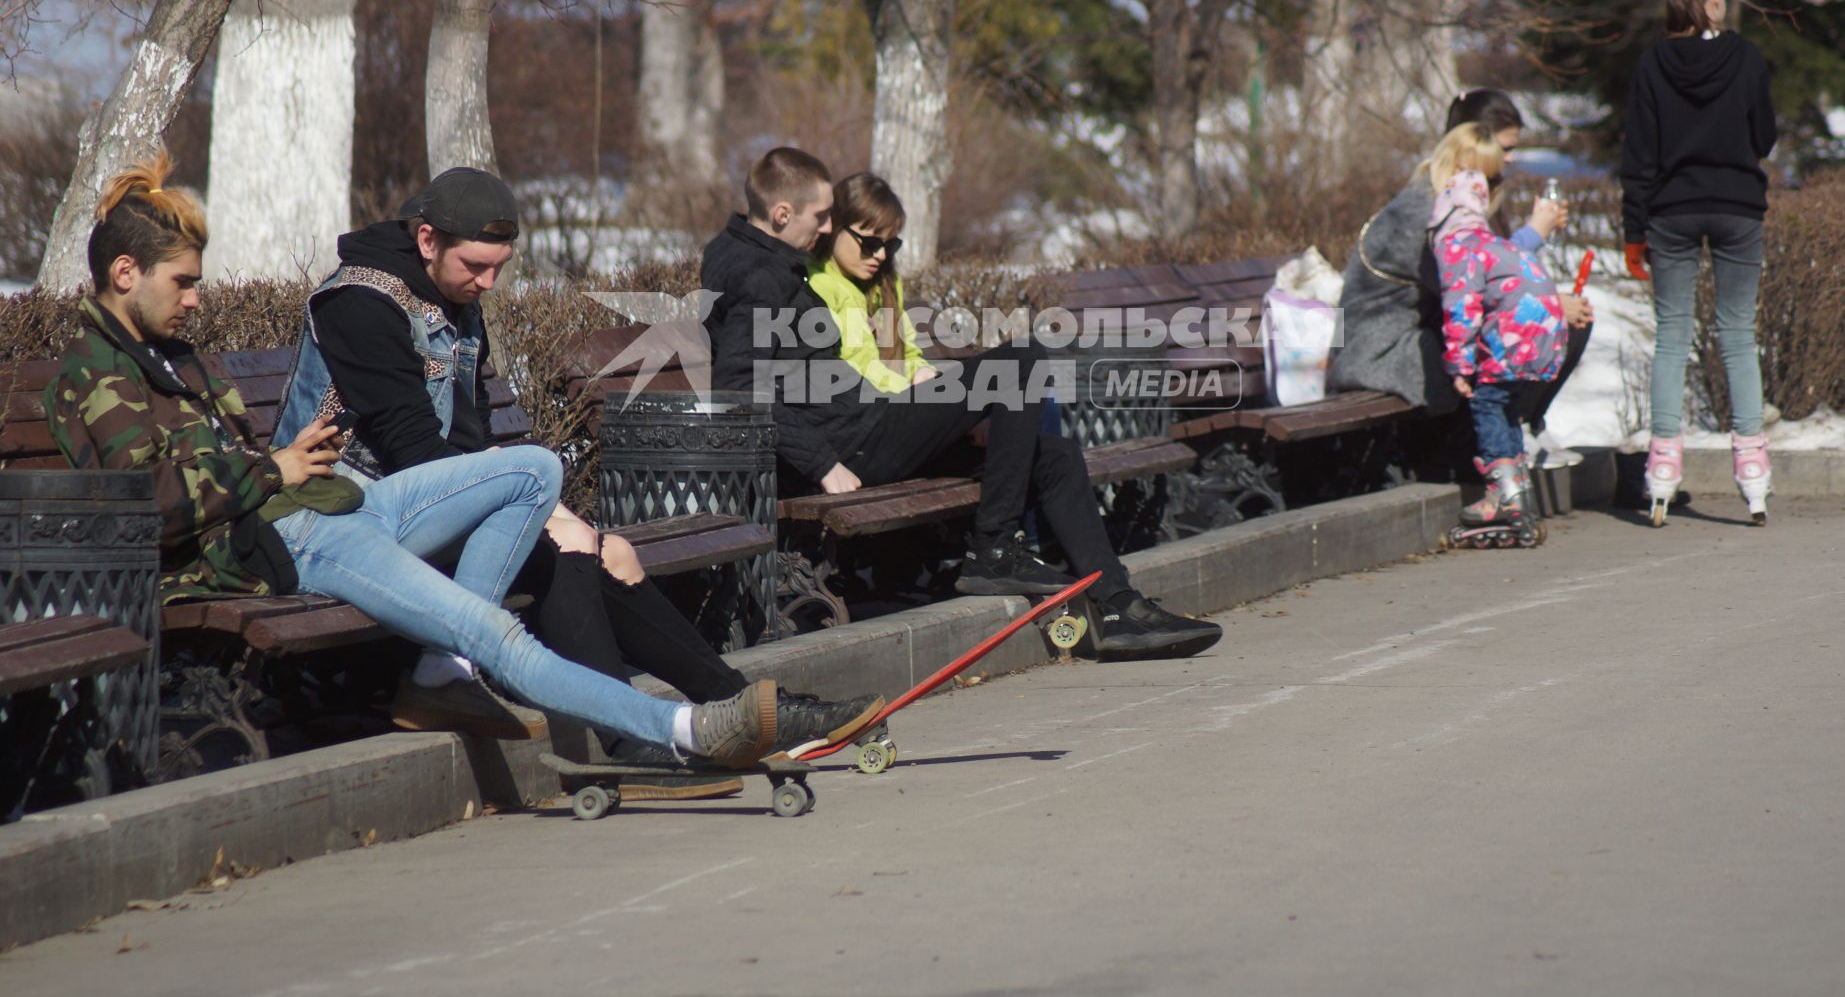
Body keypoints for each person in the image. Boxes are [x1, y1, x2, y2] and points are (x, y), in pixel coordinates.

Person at [46, 155, 781, 770]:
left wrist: (285, 466)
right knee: (496, 629)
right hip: (287, 542)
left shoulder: (170, 358)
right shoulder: (91, 375)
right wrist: (276, 470)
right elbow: (149, 502)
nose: (197, 300)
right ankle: (680, 731)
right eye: (183, 283)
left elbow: (249, 461)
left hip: (335, 503)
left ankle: (441, 670)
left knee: (534, 470)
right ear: (123, 273)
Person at [273, 166, 883, 758]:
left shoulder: (451, 293)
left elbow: (471, 434)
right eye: (476, 267)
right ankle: (655, 735)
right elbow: (412, 450)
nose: (487, 284)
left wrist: (568, 518)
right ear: (428, 239)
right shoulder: (360, 300)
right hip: (355, 509)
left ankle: (735, 710)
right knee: (560, 558)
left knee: (589, 548)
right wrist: (550, 522)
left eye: (498, 270)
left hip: (430, 499)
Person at [702, 150, 1220, 660]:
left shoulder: (758, 261)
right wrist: (821, 463)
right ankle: (994, 547)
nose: (825, 227)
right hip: (852, 444)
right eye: (820, 216)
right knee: (1018, 359)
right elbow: (741, 387)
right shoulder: (758, 276)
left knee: (1054, 456)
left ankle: (1116, 604)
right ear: (782, 213)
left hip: (863, 425)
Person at [1330, 89, 1594, 469]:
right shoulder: (1427, 208)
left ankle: (1515, 431)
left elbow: (1478, 278)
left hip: (1418, 331)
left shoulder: (1450, 197)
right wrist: (1541, 271)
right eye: (1497, 162)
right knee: (1520, 328)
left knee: (1547, 324)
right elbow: (1471, 287)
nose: (1504, 168)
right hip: (1376, 350)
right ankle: (1498, 441)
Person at [1622, 0, 1778, 526]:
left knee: (1672, 335)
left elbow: (1637, 157)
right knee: (1737, 334)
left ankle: (1663, 469)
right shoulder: (1745, 58)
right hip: (1737, 207)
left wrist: (1633, 232)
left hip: (1671, 211)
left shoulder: (1650, 66)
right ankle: (1753, 472)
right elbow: (1765, 135)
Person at [1426, 124, 1570, 540]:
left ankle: (1501, 495)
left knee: (1487, 404)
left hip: (1516, 337)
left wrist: (1458, 365)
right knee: (1506, 405)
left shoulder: (1458, 246)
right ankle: (1517, 489)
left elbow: (1461, 309)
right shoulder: (1493, 242)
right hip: (1544, 333)